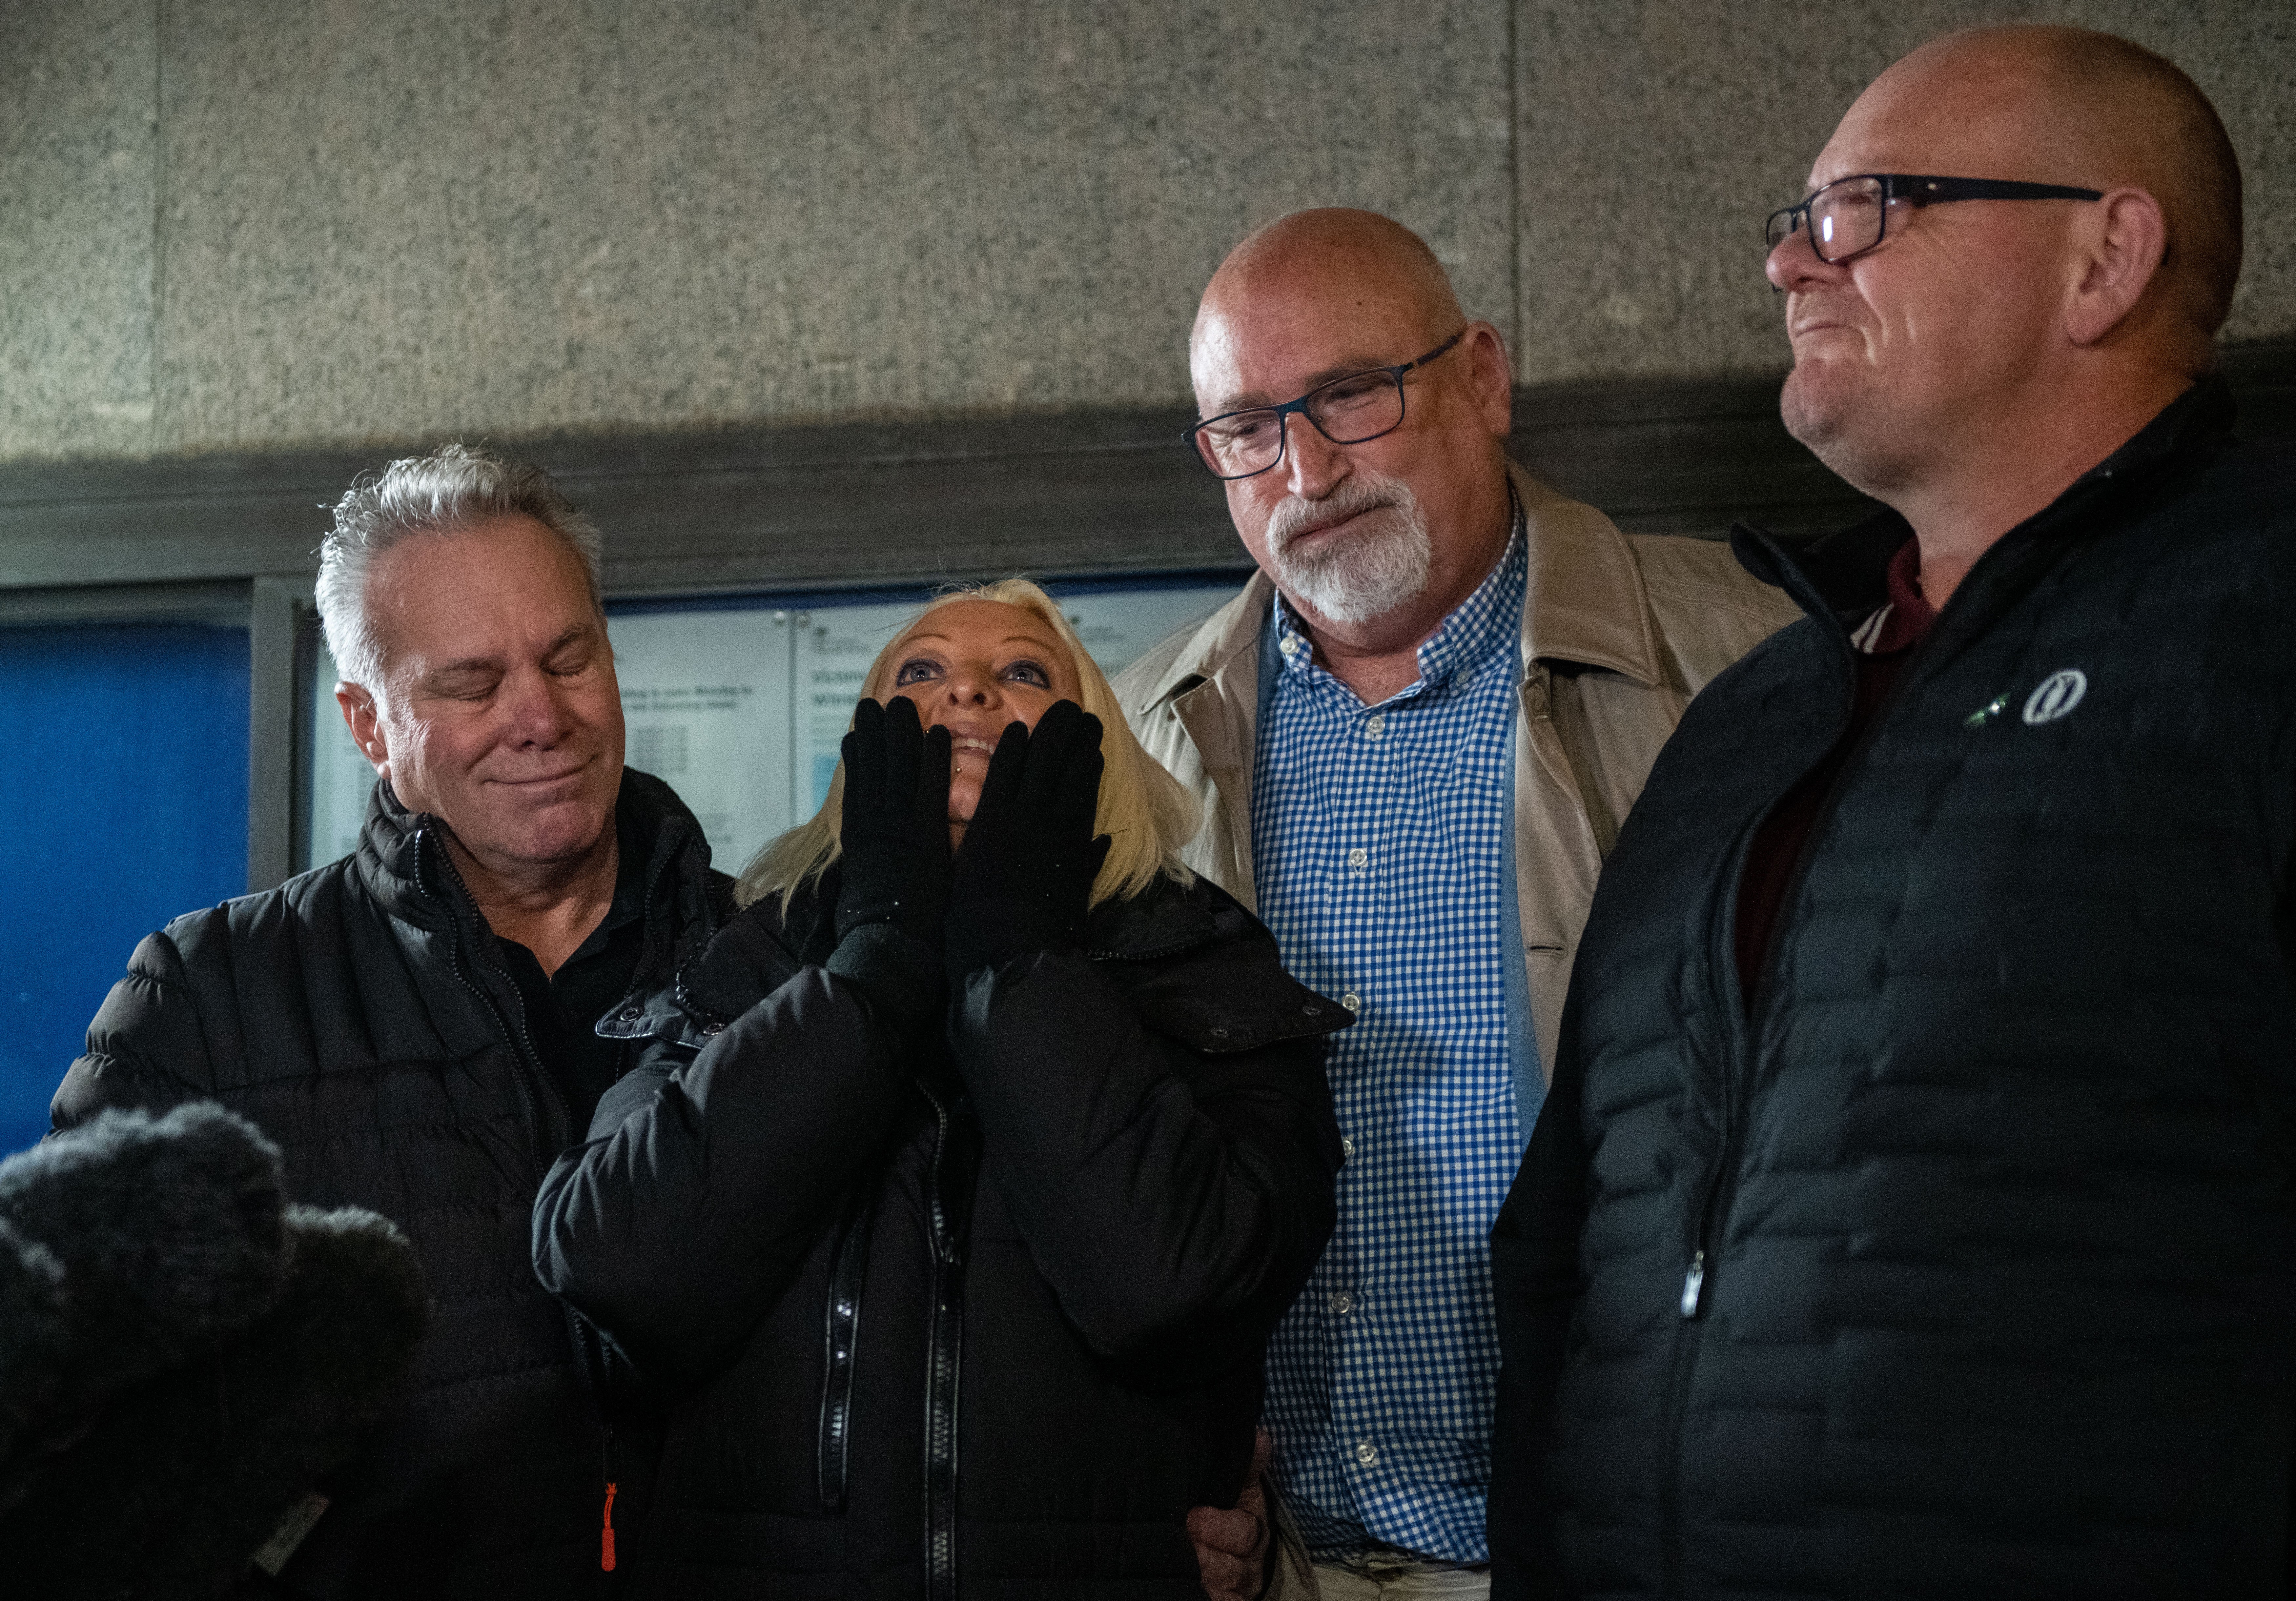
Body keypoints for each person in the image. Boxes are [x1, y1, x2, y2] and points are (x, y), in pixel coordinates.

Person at [1489, 25, 2288, 1597]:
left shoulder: (2261, 619)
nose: (1791, 262)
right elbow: (1570, 1243)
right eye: (1793, 219)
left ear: (2105, 258)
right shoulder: (1753, 718)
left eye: (1864, 208)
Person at [1116, 210, 1797, 1598]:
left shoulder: (1749, 665)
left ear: (1483, 377)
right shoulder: (1130, 740)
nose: (1305, 468)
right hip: (1276, 1561)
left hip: (1636, 1547)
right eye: (1248, 428)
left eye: (1353, 395)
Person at [533, 579, 1347, 1598]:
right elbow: (618, 1263)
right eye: (921, 671)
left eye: (1023, 670)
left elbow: (1173, 1289)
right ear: (866, 743)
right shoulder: (744, 962)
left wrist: (1015, 963)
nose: (966, 690)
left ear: (1094, 735)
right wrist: (875, 965)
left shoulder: (1203, 963)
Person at [51, 443, 729, 1596]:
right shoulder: (206, 1000)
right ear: (368, 723)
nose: (540, 716)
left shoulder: (761, 969)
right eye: (470, 682)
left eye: (570, 656)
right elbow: (78, 1418)